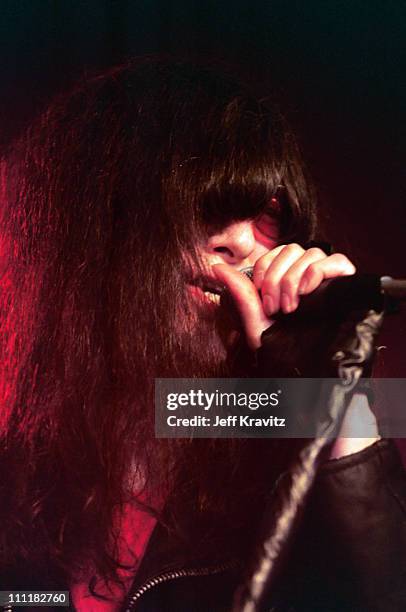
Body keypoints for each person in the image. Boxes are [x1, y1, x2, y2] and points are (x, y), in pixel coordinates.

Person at [0, 58, 405, 611]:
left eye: (266, 215)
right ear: (97, 221)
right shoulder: (17, 462)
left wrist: (335, 402)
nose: (243, 243)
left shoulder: (268, 442)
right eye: (208, 204)